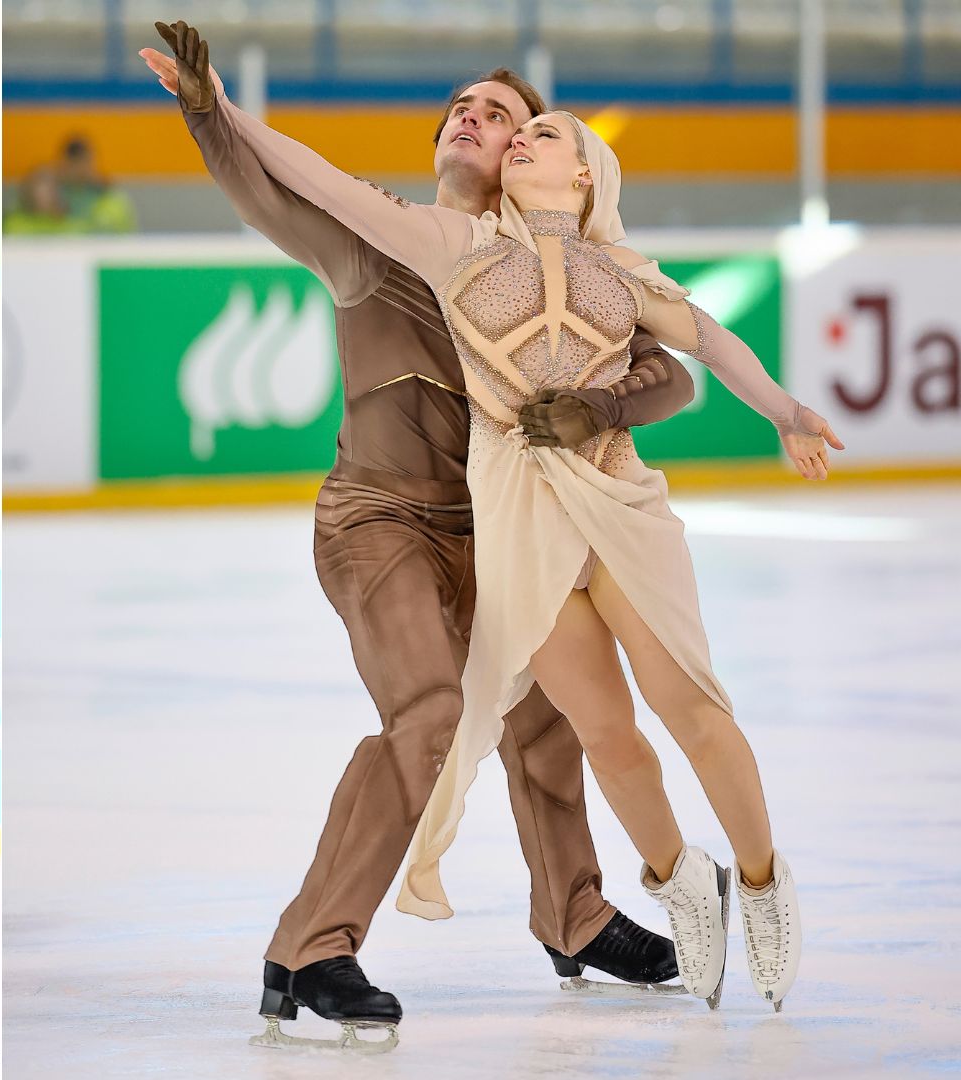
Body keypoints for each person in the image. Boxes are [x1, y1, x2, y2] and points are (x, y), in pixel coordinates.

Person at [151, 21, 839, 1018]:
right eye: (460, 110)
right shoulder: (384, 246)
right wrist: (209, 110)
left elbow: (671, 371)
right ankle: (314, 946)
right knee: (435, 713)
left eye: (505, 115)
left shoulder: (578, 260)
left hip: (509, 525)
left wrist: (607, 405)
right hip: (385, 521)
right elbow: (276, 190)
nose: (476, 121)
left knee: (554, 718)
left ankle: (577, 915)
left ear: (539, 154)